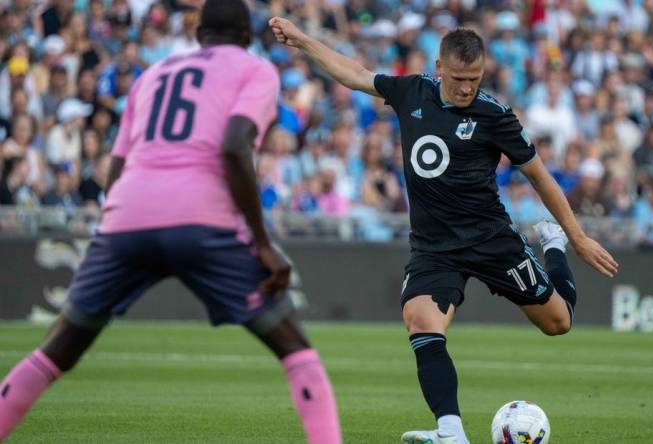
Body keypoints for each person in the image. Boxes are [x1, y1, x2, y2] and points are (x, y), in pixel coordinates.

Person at [0, 2, 342, 443]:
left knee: (58, 348)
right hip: (202, 221)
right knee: (295, 349)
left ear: (199, 35)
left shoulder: (152, 76)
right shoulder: (254, 70)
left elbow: (117, 167)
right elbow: (236, 145)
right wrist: (261, 242)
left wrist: (111, 231)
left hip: (127, 217)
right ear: (246, 36)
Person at [270, 17, 618, 444]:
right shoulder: (412, 91)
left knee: (558, 323)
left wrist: (577, 237)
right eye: (457, 78)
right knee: (421, 323)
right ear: (439, 67)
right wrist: (304, 40)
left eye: (474, 78)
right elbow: (355, 73)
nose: (466, 88)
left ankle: (555, 247)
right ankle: (450, 432)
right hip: (434, 247)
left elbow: (540, 177)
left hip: (490, 239)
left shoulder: (495, 115)